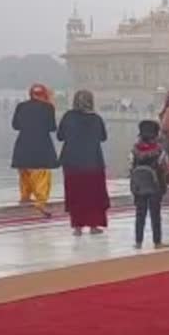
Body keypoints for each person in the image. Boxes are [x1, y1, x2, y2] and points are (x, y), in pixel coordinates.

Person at [57, 90, 110, 236]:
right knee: (94, 195)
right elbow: (103, 137)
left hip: (72, 163)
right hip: (93, 163)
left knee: (76, 194)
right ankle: (94, 225)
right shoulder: (96, 119)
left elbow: (60, 136)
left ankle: (77, 227)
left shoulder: (68, 117)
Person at [11, 83, 58, 218]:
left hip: (23, 145)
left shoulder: (21, 106)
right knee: (42, 175)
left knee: (24, 172)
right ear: (44, 95)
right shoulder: (48, 108)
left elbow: (15, 126)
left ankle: (25, 197)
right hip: (40, 146)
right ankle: (41, 202)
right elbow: (52, 127)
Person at [130, 120, 169, 249]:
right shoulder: (159, 150)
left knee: (140, 213)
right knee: (155, 214)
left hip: (139, 187)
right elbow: (165, 167)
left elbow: (131, 166)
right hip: (155, 186)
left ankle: (138, 241)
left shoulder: (135, 149)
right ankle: (157, 242)